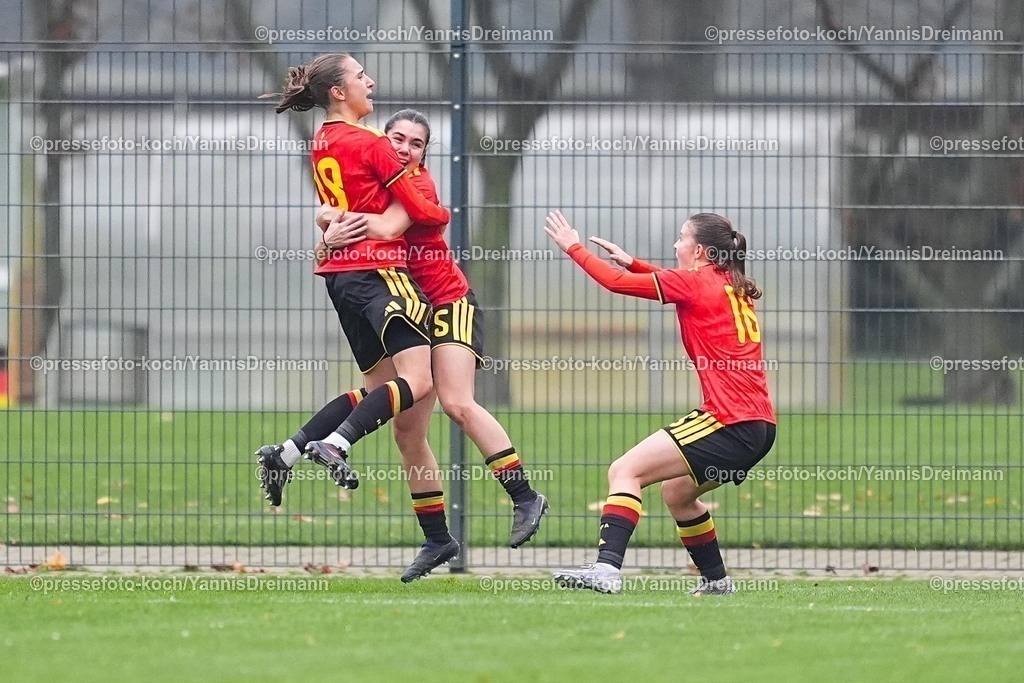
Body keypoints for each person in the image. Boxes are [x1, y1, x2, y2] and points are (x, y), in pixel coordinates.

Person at [255, 53, 458, 581]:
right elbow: (412, 217)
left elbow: (341, 202)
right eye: (361, 75)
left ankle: (290, 452)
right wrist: (433, 210)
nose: (372, 80)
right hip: (380, 275)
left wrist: (331, 218)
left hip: (341, 279)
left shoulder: (322, 139)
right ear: (340, 92)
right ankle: (336, 443)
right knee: (422, 380)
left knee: (388, 401)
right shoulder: (369, 144)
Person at [317, 109, 548, 549]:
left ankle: (525, 496)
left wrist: (335, 220)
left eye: (416, 143)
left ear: (424, 153)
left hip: (447, 301)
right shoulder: (373, 181)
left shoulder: (415, 183)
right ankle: (438, 540)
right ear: (382, 144)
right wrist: (327, 225)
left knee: (458, 404)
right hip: (411, 305)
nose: (404, 149)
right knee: (407, 432)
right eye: (397, 140)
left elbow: (385, 228)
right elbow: (336, 226)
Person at [543, 210, 776, 595]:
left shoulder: (697, 282)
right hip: (759, 426)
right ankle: (717, 583)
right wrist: (633, 262)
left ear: (699, 250)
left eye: (681, 238)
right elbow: (679, 285)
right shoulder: (728, 283)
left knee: (625, 470)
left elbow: (617, 284)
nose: (675, 244)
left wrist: (573, 246)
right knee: (678, 494)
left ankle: (606, 570)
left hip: (730, 421)